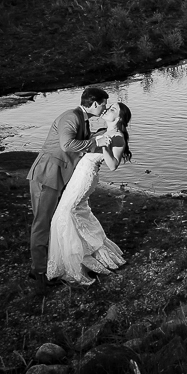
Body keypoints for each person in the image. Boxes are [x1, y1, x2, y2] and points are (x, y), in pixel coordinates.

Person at [27, 87, 111, 293]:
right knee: (42, 223)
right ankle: (38, 273)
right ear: (93, 104)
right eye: (103, 104)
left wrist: (102, 136)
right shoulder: (70, 116)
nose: (105, 108)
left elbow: (82, 140)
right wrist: (96, 141)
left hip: (58, 175)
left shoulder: (82, 120)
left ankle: (50, 265)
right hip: (47, 175)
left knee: (56, 220)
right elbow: (67, 145)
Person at [46, 102, 131, 286]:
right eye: (109, 107)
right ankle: (85, 254)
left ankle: (78, 260)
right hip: (79, 174)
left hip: (87, 176)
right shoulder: (102, 131)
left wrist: (105, 146)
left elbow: (113, 165)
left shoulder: (118, 137)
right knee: (74, 213)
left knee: (67, 213)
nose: (108, 109)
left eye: (113, 109)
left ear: (119, 118)